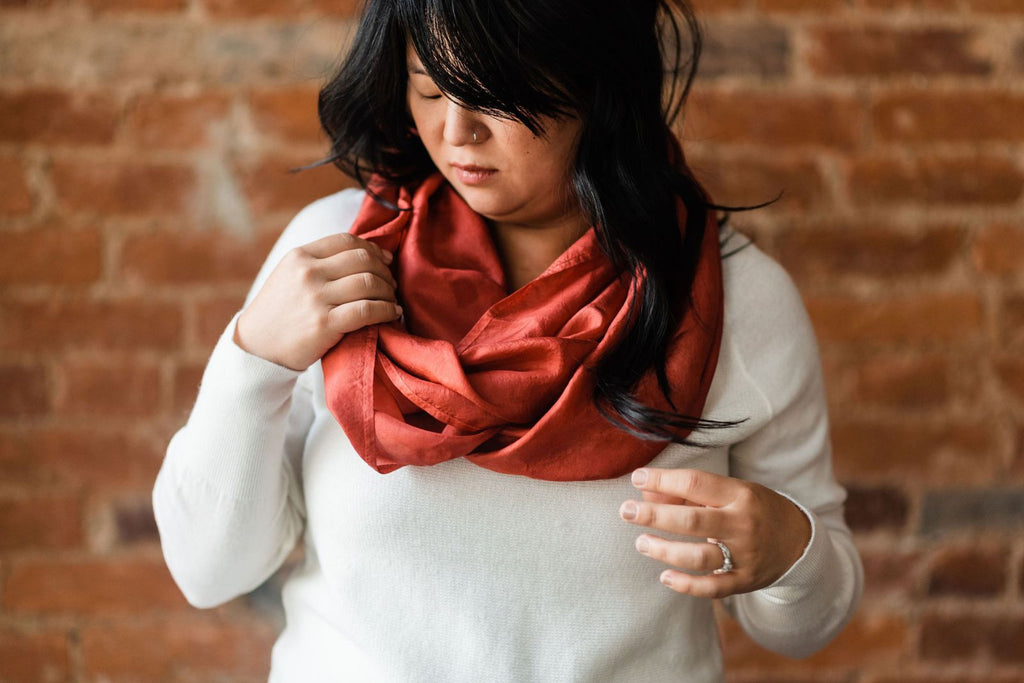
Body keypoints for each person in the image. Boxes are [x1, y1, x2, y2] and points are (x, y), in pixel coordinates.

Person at [153, 0, 863, 680]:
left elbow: (807, 624)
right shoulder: (335, 256)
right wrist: (253, 360)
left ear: (596, 84)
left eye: (494, 96)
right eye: (429, 90)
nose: (456, 132)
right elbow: (207, 568)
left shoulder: (736, 302)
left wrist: (790, 552)